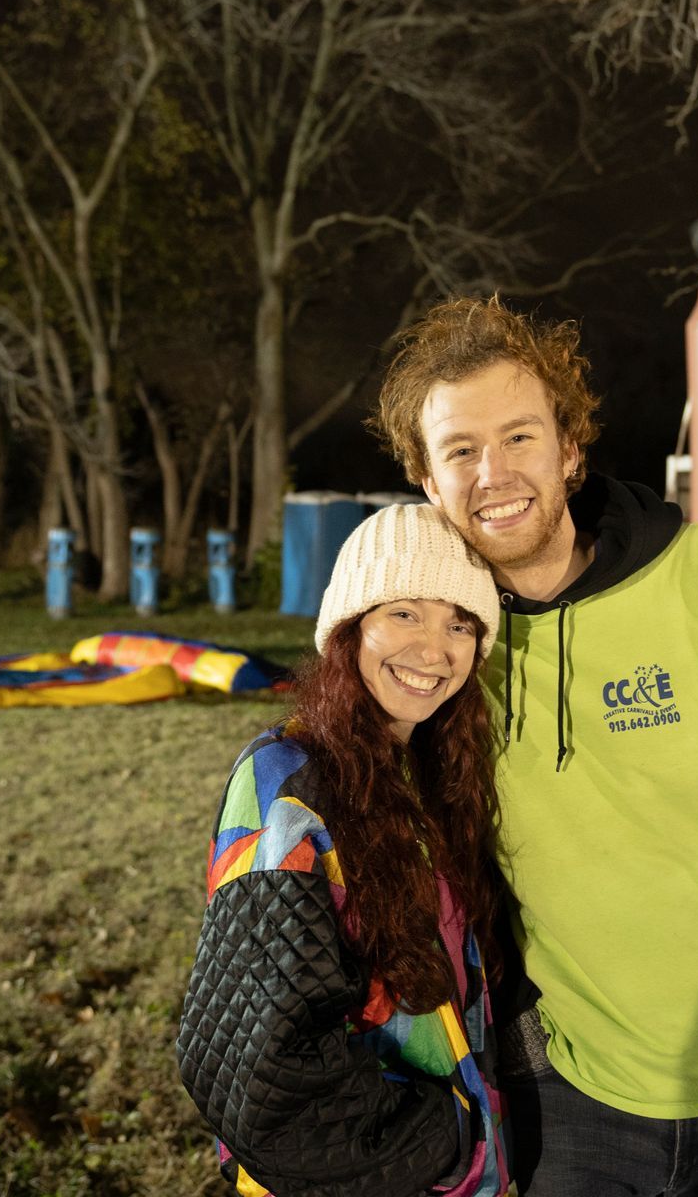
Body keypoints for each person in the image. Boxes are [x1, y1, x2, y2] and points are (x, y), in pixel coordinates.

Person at [371, 296, 698, 1197]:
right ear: (427, 482)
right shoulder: (447, 651)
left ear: (569, 449)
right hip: (570, 1098)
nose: (495, 472)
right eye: (460, 451)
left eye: (520, 437)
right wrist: (521, 1035)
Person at [176, 503, 514, 1197]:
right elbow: (261, 1077)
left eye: (460, 623)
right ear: (349, 630)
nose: (434, 649)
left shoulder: (433, 775)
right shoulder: (288, 784)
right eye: (404, 613)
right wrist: (446, 1141)